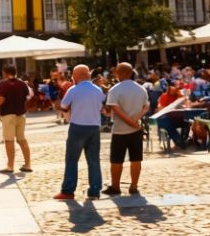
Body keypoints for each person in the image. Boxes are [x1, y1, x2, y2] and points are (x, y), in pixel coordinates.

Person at [55, 64, 104, 200]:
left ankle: (68, 190)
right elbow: (101, 106)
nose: (72, 77)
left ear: (79, 75)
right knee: (94, 160)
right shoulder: (98, 90)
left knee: (71, 159)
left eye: (73, 75)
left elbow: (64, 106)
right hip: (94, 127)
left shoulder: (73, 90)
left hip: (78, 126)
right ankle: (95, 191)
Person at [103, 63, 148, 196]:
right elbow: (145, 107)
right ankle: (134, 186)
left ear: (119, 73)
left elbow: (116, 110)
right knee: (136, 159)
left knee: (116, 160)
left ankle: (115, 186)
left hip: (119, 130)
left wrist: (130, 122)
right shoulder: (141, 89)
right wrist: (135, 121)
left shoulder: (115, 90)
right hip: (136, 129)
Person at [0, 64, 32, 174]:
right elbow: (26, 98)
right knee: (22, 139)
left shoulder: (3, 84)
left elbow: (0, 101)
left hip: (8, 115)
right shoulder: (22, 83)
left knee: (9, 140)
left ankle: (10, 166)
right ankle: (28, 164)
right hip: (21, 114)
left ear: (5, 72)